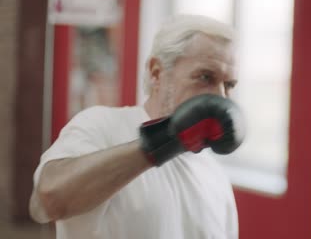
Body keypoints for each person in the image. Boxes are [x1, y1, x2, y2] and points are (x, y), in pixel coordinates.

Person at [29, 14, 245, 239]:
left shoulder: (215, 177)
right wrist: (163, 142)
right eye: (205, 77)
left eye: (229, 85)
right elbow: (46, 202)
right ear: (156, 73)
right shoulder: (102, 126)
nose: (221, 97)